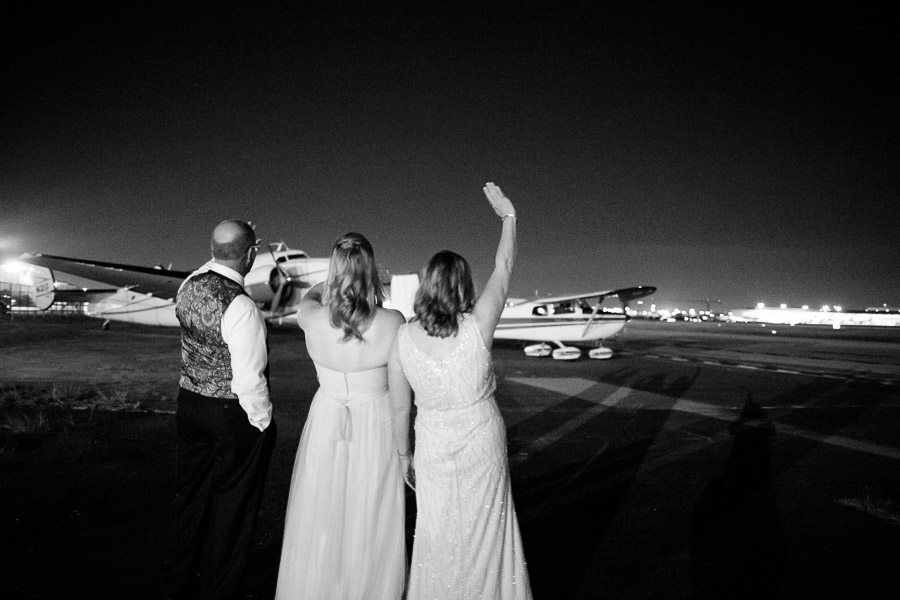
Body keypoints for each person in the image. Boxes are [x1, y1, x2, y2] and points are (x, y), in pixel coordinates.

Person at [390, 182, 533, 599]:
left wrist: (403, 456)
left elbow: (401, 409)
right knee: (487, 530)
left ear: (427, 284)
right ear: (463, 285)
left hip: (432, 444)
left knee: (438, 533)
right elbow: (503, 269)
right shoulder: (478, 326)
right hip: (481, 439)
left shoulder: (402, 338)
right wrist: (508, 217)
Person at [275, 232, 410, 600]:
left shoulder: (312, 318)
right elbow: (401, 399)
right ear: (370, 272)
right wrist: (404, 452)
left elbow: (310, 297)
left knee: (321, 514)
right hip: (376, 422)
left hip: (326, 419)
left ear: (335, 271)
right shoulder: (393, 322)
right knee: (371, 516)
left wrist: (330, 279)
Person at [162, 219, 277, 600]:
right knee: (234, 506)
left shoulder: (188, 285)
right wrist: (262, 422)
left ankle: (178, 578)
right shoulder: (241, 306)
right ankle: (220, 588)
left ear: (211, 249)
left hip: (189, 405)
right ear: (251, 254)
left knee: (190, 497)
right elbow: (249, 379)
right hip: (230, 415)